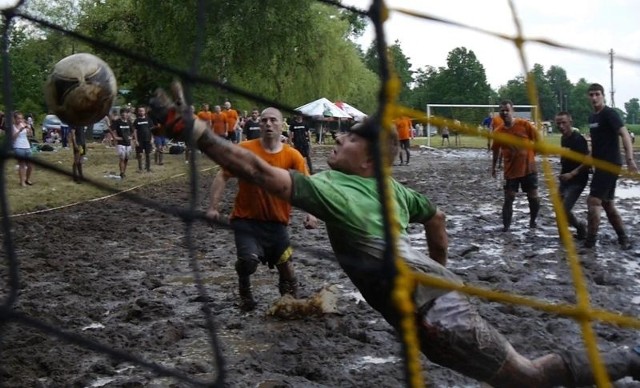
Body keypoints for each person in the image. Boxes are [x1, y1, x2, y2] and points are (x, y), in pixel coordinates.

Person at [148, 82, 640, 387]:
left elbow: (256, 172)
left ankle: (633, 357)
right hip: (432, 297)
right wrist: (440, 270)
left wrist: (196, 132)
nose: (338, 139)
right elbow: (438, 220)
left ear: (366, 156)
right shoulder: (394, 191)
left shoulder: (331, 190)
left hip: (430, 314)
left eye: (349, 137)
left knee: (526, 377)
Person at [205, 107, 317, 311]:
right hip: (245, 219)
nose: (267, 124)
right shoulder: (245, 149)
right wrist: (213, 207)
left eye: (273, 120)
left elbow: (307, 184)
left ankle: (289, 305)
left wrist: (311, 213)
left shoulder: (292, 154)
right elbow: (222, 175)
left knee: (287, 270)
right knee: (248, 261)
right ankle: (245, 291)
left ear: (280, 124)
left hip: (277, 221)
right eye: (264, 120)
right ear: (259, 124)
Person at [583, 83, 637, 249]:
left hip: (611, 163)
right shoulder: (593, 118)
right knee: (607, 204)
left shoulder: (609, 114)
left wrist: (629, 159)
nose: (594, 98)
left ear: (603, 95)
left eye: (597, 94)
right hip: (600, 165)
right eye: (591, 95)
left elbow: (625, 134)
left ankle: (590, 242)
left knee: (593, 200)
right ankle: (623, 238)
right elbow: (596, 143)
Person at [491, 100, 540, 232]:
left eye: (507, 109)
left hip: (528, 167)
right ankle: (506, 226)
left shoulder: (524, 125)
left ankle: (533, 221)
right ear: (499, 113)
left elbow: (537, 140)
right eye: (502, 110)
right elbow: (496, 150)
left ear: (512, 111)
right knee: (509, 198)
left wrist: (531, 154)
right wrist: (494, 167)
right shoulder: (498, 131)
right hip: (511, 169)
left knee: (533, 196)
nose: (505, 112)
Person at [555, 112, 589, 239]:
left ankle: (580, 226)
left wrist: (572, 173)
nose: (561, 126)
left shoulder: (578, 139)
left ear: (570, 122)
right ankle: (563, 237)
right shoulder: (563, 138)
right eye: (558, 123)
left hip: (578, 180)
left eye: (564, 122)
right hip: (565, 178)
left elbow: (588, 161)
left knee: (564, 209)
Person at [108, 107, 134, 179]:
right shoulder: (117, 122)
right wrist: (115, 137)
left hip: (128, 142)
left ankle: (124, 172)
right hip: (120, 143)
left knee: (126, 158)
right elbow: (110, 129)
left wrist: (131, 137)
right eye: (123, 115)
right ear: (121, 115)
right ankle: (121, 173)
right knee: (122, 158)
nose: (124, 116)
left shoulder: (129, 122)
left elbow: (133, 130)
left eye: (125, 114)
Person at [11, 111, 34, 187]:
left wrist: (29, 129)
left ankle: (27, 179)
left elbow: (30, 135)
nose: (20, 120)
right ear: (14, 119)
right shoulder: (12, 127)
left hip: (27, 146)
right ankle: (22, 182)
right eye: (18, 118)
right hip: (18, 147)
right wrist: (19, 130)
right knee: (22, 165)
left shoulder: (23, 124)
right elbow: (13, 138)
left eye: (21, 118)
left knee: (30, 165)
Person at [133, 106, 154, 173]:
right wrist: (136, 140)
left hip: (148, 139)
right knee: (140, 154)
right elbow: (135, 131)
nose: (141, 112)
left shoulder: (149, 120)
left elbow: (152, 130)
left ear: (145, 112)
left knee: (148, 154)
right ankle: (140, 168)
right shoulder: (136, 121)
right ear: (138, 112)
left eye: (142, 111)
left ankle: (148, 168)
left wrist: (152, 138)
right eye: (140, 111)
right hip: (139, 140)